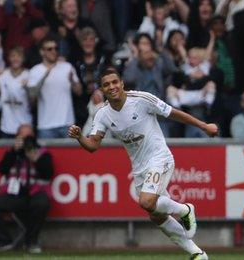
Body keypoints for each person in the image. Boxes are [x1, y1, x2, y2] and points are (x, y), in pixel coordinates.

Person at [68, 68, 217, 259]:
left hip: (159, 157)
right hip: (139, 168)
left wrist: (204, 126)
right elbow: (93, 146)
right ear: (102, 90)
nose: (112, 87)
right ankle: (197, 253)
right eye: (106, 84)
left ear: (122, 83)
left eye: (115, 82)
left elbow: (173, 113)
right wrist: (80, 136)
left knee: (146, 202)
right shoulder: (102, 114)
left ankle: (185, 209)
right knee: (156, 215)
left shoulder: (141, 99)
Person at [0, 132, 52, 253]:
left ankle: (31, 241)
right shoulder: (12, 153)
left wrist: (34, 158)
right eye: (22, 138)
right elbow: (2, 169)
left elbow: (48, 173)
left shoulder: (43, 154)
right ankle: (4, 240)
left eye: (27, 138)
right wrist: (13, 151)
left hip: (35, 194)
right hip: (15, 195)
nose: (25, 142)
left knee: (42, 203)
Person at [28, 37, 82, 139]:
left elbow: (79, 92)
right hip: (45, 126)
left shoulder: (67, 67)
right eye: (49, 49)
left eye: (56, 48)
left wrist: (72, 81)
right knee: (45, 155)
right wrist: (46, 74)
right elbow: (32, 100)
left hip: (67, 124)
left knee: (70, 155)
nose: (54, 51)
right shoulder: (35, 71)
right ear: (42, 52)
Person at [0, 46, 33, 138]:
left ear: (23, 59)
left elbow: (34, 102)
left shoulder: (29, 75)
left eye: (19, 56)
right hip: (6, 127)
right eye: (13, 56)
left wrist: (27, 88)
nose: (15, 59)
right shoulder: (3, 75)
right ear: (9, 58)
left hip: (25, 126)